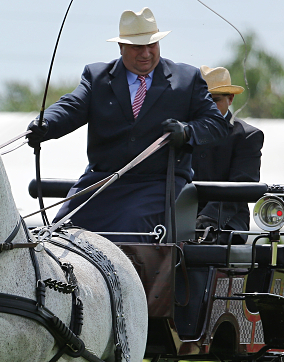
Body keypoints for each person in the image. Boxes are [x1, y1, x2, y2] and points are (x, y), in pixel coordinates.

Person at [27, 7, 228, 242]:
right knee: (60, 232)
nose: (145, 53)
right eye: (137, 47)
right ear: (121, 47)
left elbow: (216, 124)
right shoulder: (97, 76)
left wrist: (187, 132)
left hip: (158, 183)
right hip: (101, 181)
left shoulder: (187, 79)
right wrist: (45, 124)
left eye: (151, 45)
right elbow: (71, 105)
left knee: (130, 231)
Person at [191, 65, 264, 244]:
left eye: (215, 100)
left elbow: (242, 184)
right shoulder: (184, 131)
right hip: (178, 221)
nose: (208, 106)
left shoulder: (246, 136)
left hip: (226, 226)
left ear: (230, 99)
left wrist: (208, 219)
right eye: (202, 100)